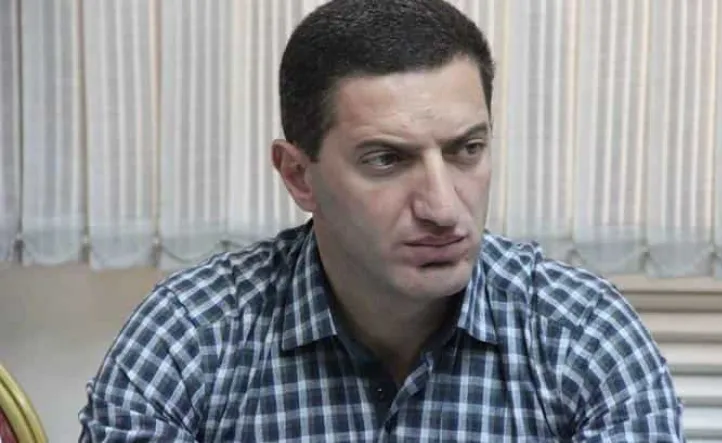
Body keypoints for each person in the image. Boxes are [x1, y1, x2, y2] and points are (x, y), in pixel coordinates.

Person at [79, 0, 684, 441]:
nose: (443, 208)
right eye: (387, 160)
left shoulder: (582, 335)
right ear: (298, 175)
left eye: (466, 149)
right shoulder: (189, 337)